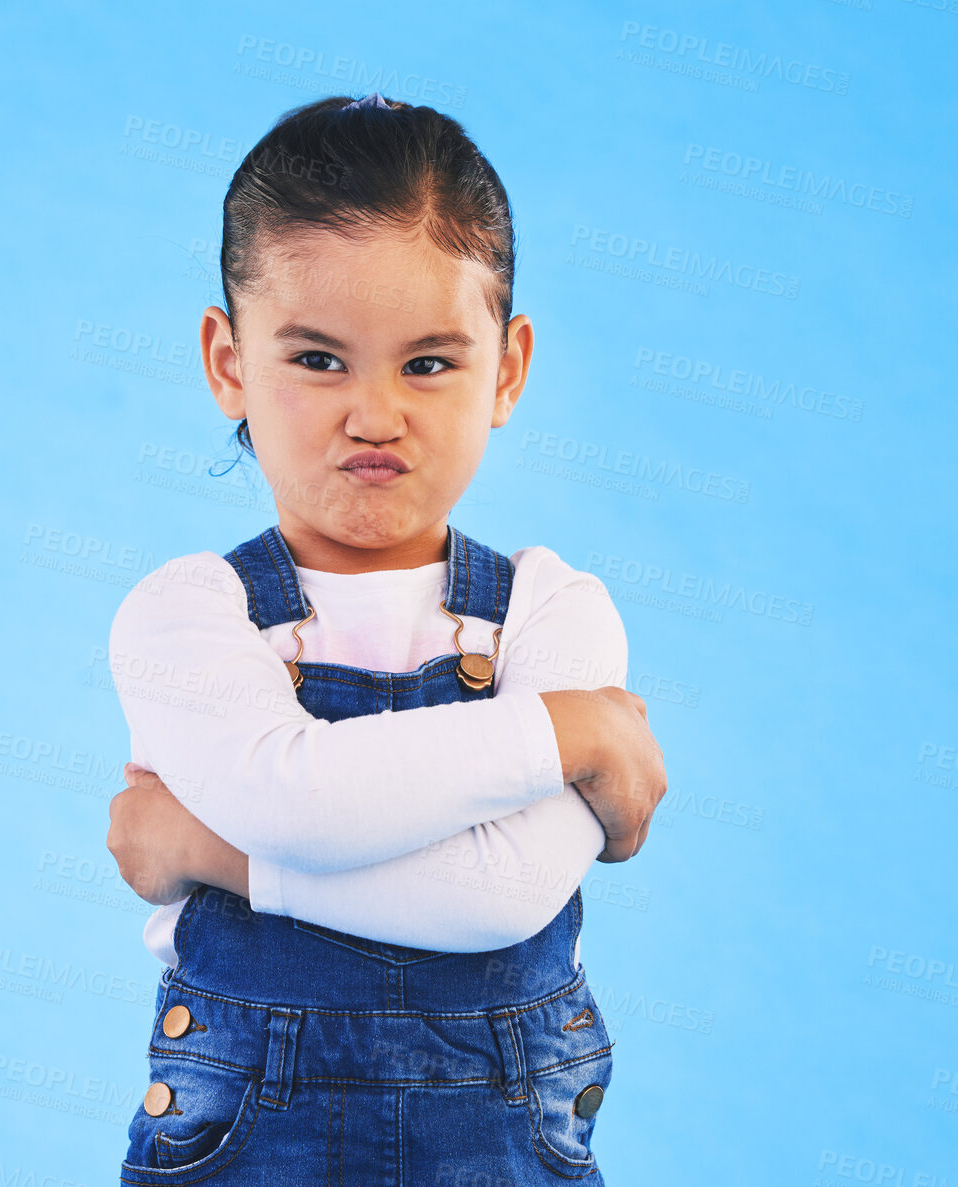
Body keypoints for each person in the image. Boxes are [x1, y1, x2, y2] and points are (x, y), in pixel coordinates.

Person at [103, 93, 668, 1184]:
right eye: (318, 360)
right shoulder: (186, 614)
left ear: (507, 367)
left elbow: (501, 893)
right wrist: (565, 731)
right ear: (227, 359)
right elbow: (299, 796)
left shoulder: (556, 611)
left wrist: (207, 851)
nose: (373, 413)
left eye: (428, 363)